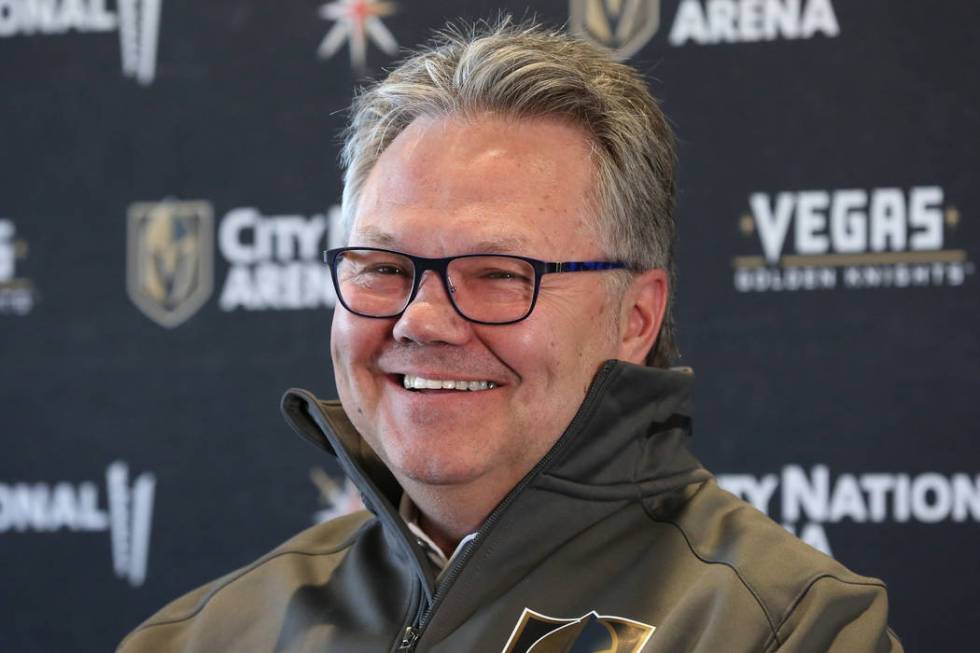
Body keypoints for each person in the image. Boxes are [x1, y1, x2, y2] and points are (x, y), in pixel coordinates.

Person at [118, 19, 903, 653]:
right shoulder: (198, 635)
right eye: (384, 265)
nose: (420, 318)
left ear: (636, 316)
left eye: (497, 272)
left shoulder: (789, 630)